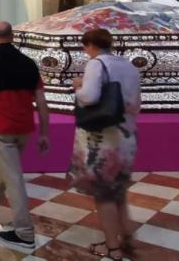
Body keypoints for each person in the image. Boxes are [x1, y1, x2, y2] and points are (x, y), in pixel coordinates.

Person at [0, 21, 50, 250]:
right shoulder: (28, 63)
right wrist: (45, 133)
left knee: (13, 179)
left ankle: (25, 232)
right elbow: (42, 102)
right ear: (13, 37)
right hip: (24, 127)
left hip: (1, 128)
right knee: (6, 169)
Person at [68, 29, 142, 260]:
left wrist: (77, 87)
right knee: (118, 190)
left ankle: (112, 248)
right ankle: (127, 236)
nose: (85, 50)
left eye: (85, 46)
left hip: (104, 139)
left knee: (104, 194)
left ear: (90, 44)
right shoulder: (127, 65)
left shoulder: (96, 63)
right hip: (127, 135)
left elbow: (89, 97)